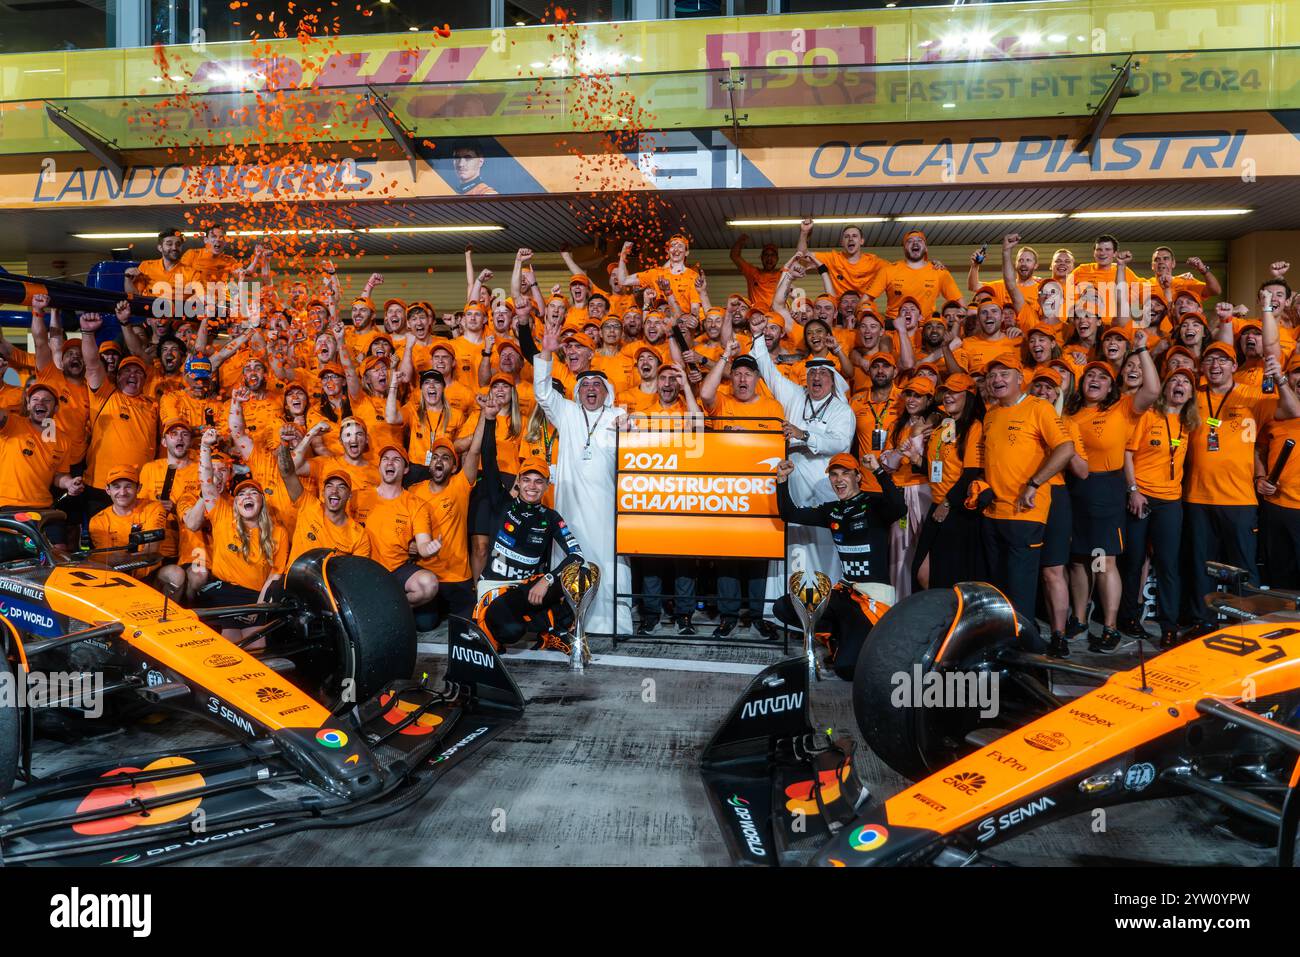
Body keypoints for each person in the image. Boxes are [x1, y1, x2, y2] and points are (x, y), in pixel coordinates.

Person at [1185, 341, 1298, 622]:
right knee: (1201, 568)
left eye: (1223, 361)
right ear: (1201, 367)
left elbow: (1293, 410)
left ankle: (1247, 624)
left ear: (1235, 367)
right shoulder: (1194, 396)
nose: (1215, 366)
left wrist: (1281, 380)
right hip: (1197, 496)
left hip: (1240, 498)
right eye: (1210, 360)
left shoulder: (1253, 396)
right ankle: (1203, 622)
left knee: (1243, 569)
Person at [532, 320, 633, 635]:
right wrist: (547, 354)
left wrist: (632, 431)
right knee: (572, 558)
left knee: (607, 560)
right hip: (571, 508)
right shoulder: (568, 414)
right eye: (586, 385)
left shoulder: (620, 417)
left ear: (607, 392)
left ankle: (612, 622)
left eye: (597, 385)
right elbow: (543, 392)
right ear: (578, 391)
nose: (591, 389)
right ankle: (568, 621)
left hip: (607, 508)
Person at [1062, 339, 1159, 653]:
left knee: (1103, 561)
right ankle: (1078, 619)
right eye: (1090, 375)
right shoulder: (1070, 413)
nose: (1095, 379)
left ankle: (1110, 627)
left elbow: (1154, 390)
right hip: (1074, 491)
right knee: (1077, 561)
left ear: (1110, 388)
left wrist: (1142, 349)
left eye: (1103, 377)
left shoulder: (1123, 409)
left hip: (1106, 489)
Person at [772, 453, 905, 679]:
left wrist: (880, 472)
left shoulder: (874, 504)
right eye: (834, 475)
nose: (839, 479)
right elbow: (789, 513)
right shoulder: (832, 510)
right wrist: (782, 481)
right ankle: (836, 635)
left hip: (872, 600)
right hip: (845, 594)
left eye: (845, 473)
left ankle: (854, 639)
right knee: (784, 607)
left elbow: (899, 509)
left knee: (847, 669)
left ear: (858, 477)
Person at [976, 352, 1075, 625]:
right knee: (999, 591)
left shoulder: (1038, 407)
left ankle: (1026, 655)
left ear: (1021, 379)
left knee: (1020, 594)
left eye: (1004, 374)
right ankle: (1004, 648)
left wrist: (1035, 482)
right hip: (993, 513)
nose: (997, 379)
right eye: (992, 375)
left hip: (1025, 513)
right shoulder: (991, 413)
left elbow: (1066, 448)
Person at [473, 456, 588, 652]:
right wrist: (490, 424)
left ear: (546, 486)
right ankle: (544, 624)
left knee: (582, 574)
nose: (532, 486)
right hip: (494, 588)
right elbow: (489, 461)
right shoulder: (502, 504)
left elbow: (576, 555)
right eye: (526, 480)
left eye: (538, 481)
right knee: (511, 631)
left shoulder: (551, 517)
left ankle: (553, 628)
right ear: (518, 481)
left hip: (525, 589)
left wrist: (547, 580)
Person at [1119, 367, 1197, 649]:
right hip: (1142, 497)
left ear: (1190, 393)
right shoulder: (1149, 415)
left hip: (1170, 502)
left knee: (1168, 565)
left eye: (1186, 382)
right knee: (1134, 561)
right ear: (1165, 388)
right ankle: (1128, 618)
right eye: (1174, 379)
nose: (1179, 384)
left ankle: (1169, 626)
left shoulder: (1189, 423)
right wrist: (1133, 491)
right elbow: (1127, 454)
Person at [89, 464, 184, 593]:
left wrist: (121, 556)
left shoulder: (154, 508)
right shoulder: (98, 520)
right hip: (116, 578)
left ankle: (170, 612)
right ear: (107, 490)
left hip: (150, 575)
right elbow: (108, 559)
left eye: (128, 486)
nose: (122, 492)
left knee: (176, 574)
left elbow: (151, 551)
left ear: (139, 488)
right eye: (116, 487)